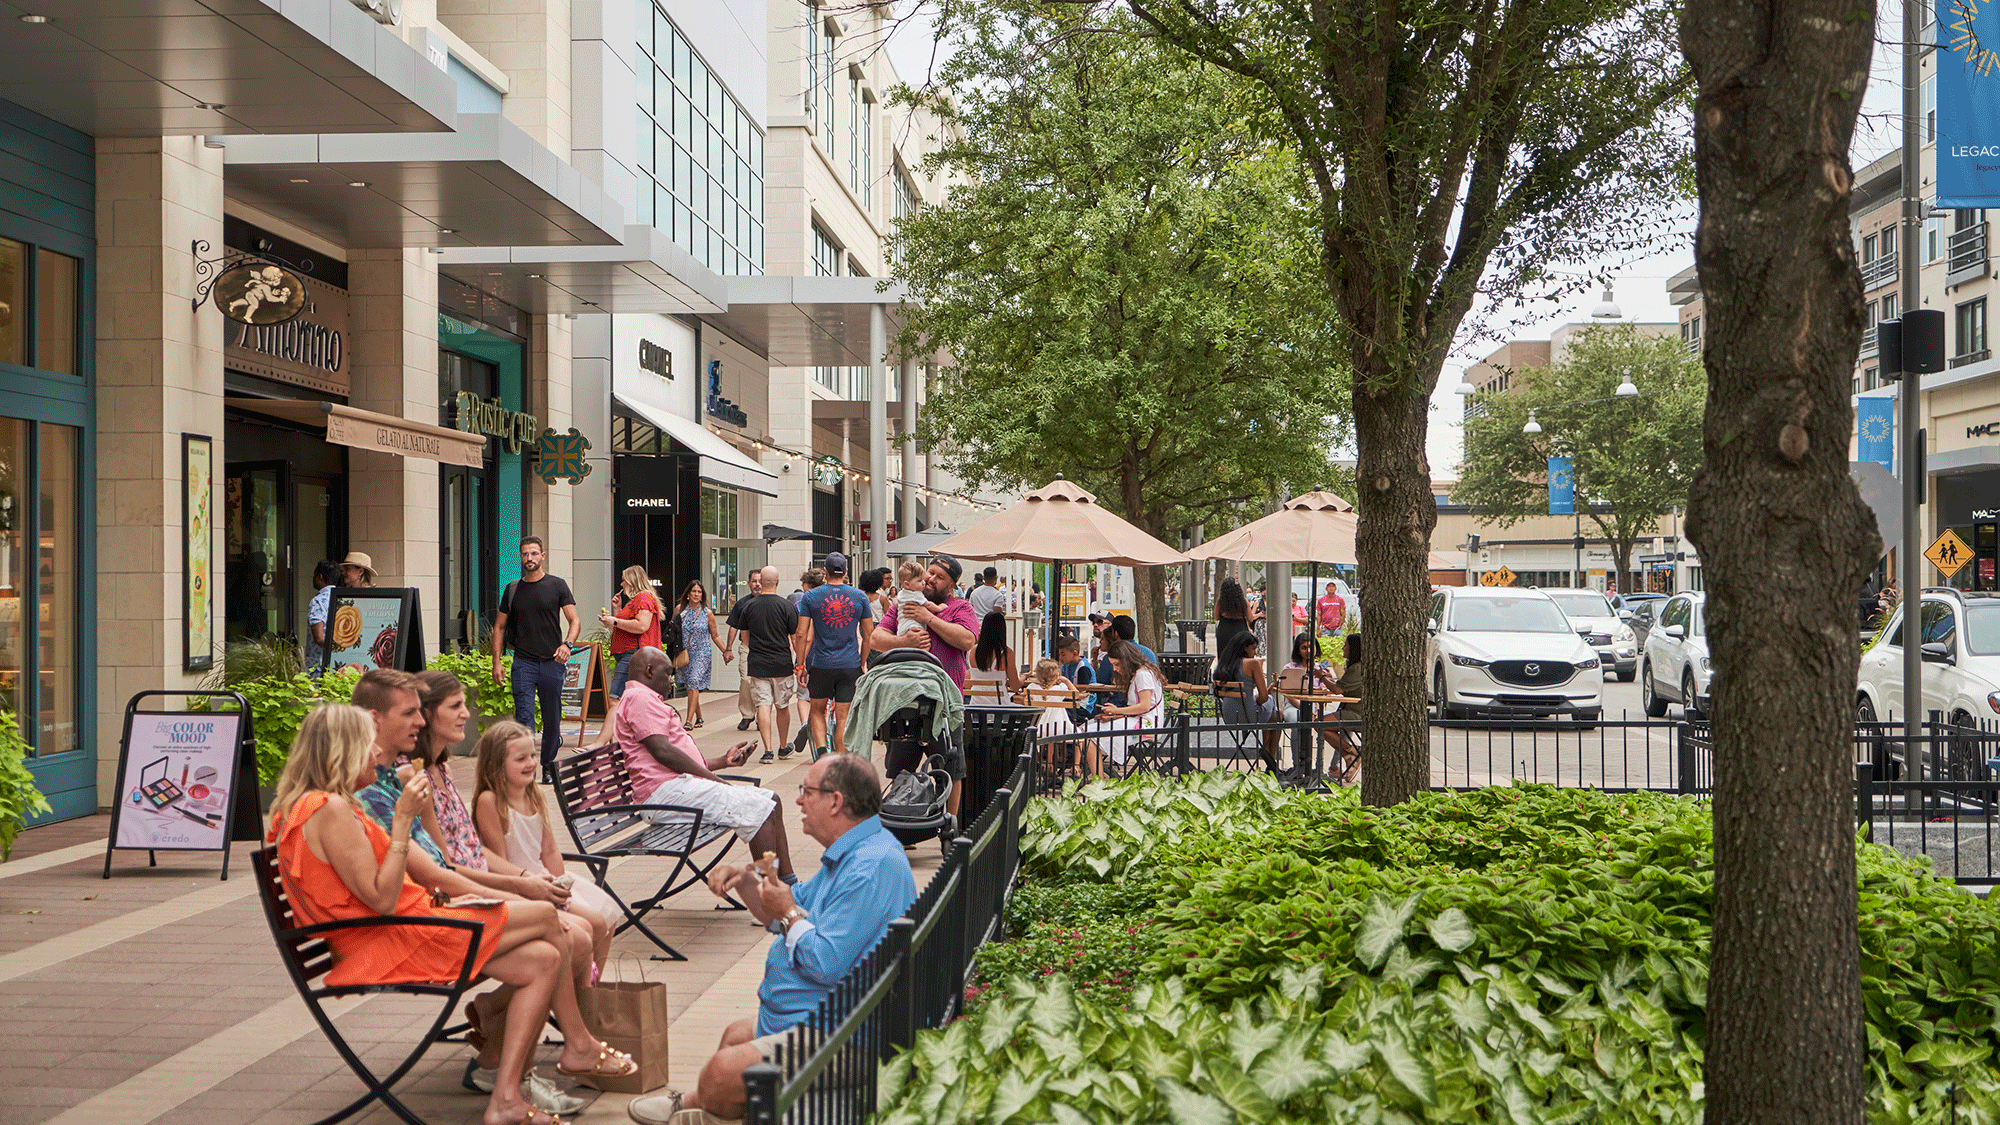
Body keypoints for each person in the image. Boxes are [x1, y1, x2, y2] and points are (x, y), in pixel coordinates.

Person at [268, 704, 633, 1125]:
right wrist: (403, 820)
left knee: (547, 957)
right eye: (370, 746)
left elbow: (417, 877)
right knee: (550, 920)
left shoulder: (325, 805)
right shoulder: (327, 808)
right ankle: (577, 1045)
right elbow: (382, 900)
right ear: (343, 750)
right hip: (390, 940)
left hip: (406, 926)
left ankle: (506, 1096)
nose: (377, 756)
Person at [624, 754, 915, 1125]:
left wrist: (790, 913)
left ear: (835, 801)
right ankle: (700, 1108)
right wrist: (747, 882)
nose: (797, 801)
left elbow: (824, 959)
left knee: (725, 1069)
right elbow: (787, 909)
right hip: (825, 1012)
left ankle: (695, 1111)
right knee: (734, 1036)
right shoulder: (854, 851)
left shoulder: (869, 866)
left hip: (850, 1035)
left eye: (806, 791)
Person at [615, 648, 795, 880]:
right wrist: (715, 780)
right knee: (757, 809)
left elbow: (670, 758)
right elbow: (663, 752)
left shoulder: (644, 698)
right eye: (668, 673)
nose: (672, 680)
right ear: (649, 671)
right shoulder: (639, 698)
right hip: (664, 795)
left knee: (772, 800)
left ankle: (790, 885)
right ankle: (771, 896)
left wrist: (722, 762)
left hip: (676, 788)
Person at [473, 720, 619, 972]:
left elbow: (549, 850)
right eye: (520, 759)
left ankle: (592, 988)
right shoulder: (490, 801)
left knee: (608, 917)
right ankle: (581, 984)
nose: (530, 763)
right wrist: (531, 887)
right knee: (593, 923)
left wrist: (562, 885)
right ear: (496, 764)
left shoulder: (534, 795)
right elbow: (497, 859)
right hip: (519, 884)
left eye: (532, 756)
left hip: (546, 877)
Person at [492, 536, 581, 778]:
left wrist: (568, 645)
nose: (529, 558)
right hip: (523, 662)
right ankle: (526, 767)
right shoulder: (512, 590)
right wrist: (497, 662)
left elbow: (574, 620)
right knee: (524, 718)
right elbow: (499, 627)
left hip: (552, 661)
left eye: (533, 553)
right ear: (520, 558)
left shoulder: (557, 585)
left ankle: (548, 765)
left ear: (543, 556)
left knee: (552, 718)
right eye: (525, 554)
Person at [797, 551, 874, 757]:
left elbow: (802, 634)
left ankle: (822, 755)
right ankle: (839, 759)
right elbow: (869, 634)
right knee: (843, 716)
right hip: (850, 665)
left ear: (825, 572)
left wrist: (800, 664)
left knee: (816, 710)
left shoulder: (811, 596)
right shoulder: (859, 597)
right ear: (846, 571)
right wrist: (863, 661)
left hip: (821, 663)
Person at [727, 565, 805, 764]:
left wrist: (754, 647)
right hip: (781, 663)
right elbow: (795, 637)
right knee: (782, 705)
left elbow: (744, 635)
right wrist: (800, 663)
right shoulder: (786, 606)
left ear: (761, 582)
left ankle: (767, 751)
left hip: (758, 663)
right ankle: (782, 746)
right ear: (777, 582)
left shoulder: (749, 606)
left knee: (763, 704)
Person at [872, 554, 980, 689]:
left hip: (944, 695)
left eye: (940, 577)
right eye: (931, 573)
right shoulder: (904, 603)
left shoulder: (961, 607)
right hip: (905, 693)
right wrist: (905, 642)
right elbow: (875, 639)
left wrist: (928, 618)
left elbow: (967, 641)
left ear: (951, 585)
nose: (931, 579)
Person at [585, 566, 663, 751]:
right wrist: (617, 610)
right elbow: (626, 628)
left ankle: (599, 743)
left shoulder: (643, 598)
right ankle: (634, 741)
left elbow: (642, 625)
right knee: (632, 702)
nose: (621, 584)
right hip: (632, 654)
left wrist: (615, 620)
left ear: (632, 581)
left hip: (633, 654)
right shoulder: (637, 600)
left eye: (623, 579)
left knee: (615, 700)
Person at [1080, 640, 1165, 777]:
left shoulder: (1142, 675)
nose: (1114, 669)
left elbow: (1144, 706)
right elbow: (1141, 708)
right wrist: (1116, 715)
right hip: (1143, 723)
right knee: (1088, 730)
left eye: (1116, 664)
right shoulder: (1140, 673)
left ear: (1127, 660)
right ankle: (1098, 778)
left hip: (1148, 727)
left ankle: (1098, 780)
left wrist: (1117, 711)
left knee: (1088, 735)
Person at [1214, 630, 1283, 772]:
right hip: (1248, 716)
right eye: (1253, 648)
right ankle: (1270, 757)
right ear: (1245, 648)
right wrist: (1268, 694)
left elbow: (1244, 697)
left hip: (1229, 715)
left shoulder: (1224, 664)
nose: (1255, 652)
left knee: (1273, 715)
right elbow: (1263, 698)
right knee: (1278, 713)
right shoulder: (1253, 664)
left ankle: (1269, 758)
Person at [674, 578, 728, 728]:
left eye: (699, 592)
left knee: (694, 681)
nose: (696, 594)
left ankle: (689, 720)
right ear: (688, 594)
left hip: (702, 653)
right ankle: (699, 717)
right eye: (694, 591)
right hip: (685, 653)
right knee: (691, 686)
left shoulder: (707, 613)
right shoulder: (679, 610)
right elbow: (674, 631)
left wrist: (726, 651)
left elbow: (715, 635)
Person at [965, 611, 1024, 703]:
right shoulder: (1006, 653)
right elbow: (1015, 686)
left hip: (976, 705)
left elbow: (969, 685)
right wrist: (1023, 677)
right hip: (999, 706)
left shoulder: (971, 651)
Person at [734, 569, 765, 731]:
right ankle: (747, 714)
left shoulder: (770, 601)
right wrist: (727, 649)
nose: (757, 584)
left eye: (760, 581)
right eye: (754, 581)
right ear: (748, 583)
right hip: (747, 646)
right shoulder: (742, 603)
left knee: (762, 683)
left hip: (766, 648)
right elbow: (734, 627)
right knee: (746, 680)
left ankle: (762, 717)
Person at [1331, 633, 1363, 783]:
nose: (1343, 648)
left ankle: (1352, 752)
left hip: (1357, 713)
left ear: (1354, 649)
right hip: (1350, 710)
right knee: (1322, 723)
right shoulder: (1354, 667)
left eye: (1346, 646)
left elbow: (1338, 690)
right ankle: (1349, 755)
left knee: (1321, 725)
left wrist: (1322, 677)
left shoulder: (1357, 668)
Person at [304, 558, 340, 670]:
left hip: (318, 666)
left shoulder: (318, 601)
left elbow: (319, 638)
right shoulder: (342, 599)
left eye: (314, 575)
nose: (313, 579)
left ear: (319, 576)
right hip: (338, 665)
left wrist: (336, 648)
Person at [1213, 577, 1256, 657]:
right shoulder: (1243, 601)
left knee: (1224, 658)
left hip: (1224, 629)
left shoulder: (1220, 601)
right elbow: (1250, 618)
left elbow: (1216, 617)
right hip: (1240, 629)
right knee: (1240, 657)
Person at [890, 559, 929, 636]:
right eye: (919, 581)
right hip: (913, 625)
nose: (924, 583)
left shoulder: (901, 593)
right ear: (907, 584)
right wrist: (939, 608)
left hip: (901, 627)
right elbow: (928, 605)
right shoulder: (917, 594)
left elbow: (897, 606)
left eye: (923, 580)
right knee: (924, 642)